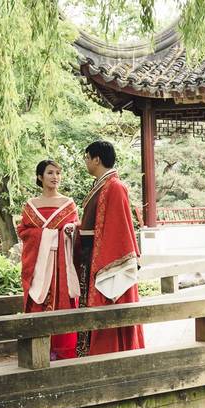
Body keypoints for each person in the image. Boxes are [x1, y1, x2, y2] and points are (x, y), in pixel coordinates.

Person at [75, 140, 145, 356]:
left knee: (106, 306)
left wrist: (106, 261)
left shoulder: (115, 187)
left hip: (104, 258)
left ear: (97, 159)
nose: (86, 162)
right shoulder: (102, 185)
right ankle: (90, 353)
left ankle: (108, 353)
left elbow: (119, 229)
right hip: (91, 257)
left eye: (87, 157)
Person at [17, 160, 80, 360]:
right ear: (40, 177)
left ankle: (64, 350)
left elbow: (76, 229)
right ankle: (37, 350)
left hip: (61, 264)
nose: (55, 177)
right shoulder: (31, 206)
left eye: (58, 173)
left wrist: (69, 231)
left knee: (64, 302)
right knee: (38, 301)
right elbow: (24, 232)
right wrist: (48, 235)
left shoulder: (68, 204)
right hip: (38, 265)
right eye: (50, 173)